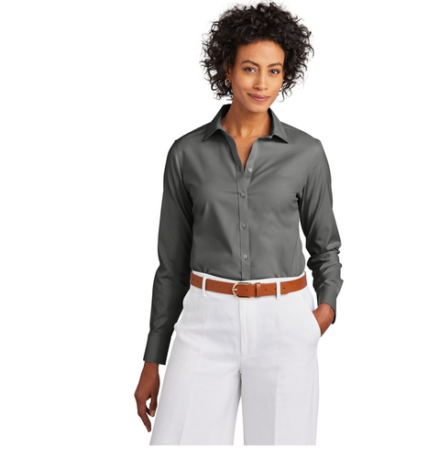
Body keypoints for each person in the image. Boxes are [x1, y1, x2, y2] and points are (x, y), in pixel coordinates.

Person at [134, 1, 343, 445]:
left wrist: (321, 314)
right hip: (205, 321)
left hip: (285, 322)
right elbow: (171, 264)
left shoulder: (306, 153)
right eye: (250, 69)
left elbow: (325, 247)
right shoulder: (186, 153)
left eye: (274, 71)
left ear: (286, 74)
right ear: (227, 69)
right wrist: (154, 358)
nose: (262, 83)